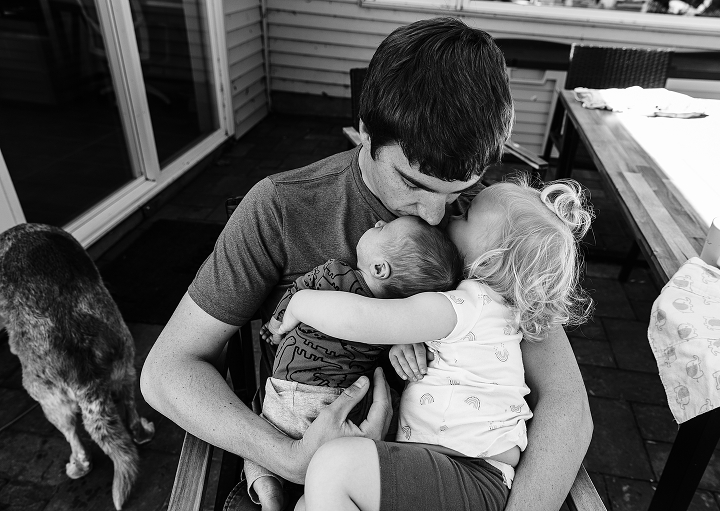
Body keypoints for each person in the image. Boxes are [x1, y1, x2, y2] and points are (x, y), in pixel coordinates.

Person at [141, 16, 593, 511]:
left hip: (440, 480)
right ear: (363, 133)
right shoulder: (283, 207)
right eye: (414, 184)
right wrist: (289, 457)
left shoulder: (495, 233)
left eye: (460, 191)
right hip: (303, 475)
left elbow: (567, 405)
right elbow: (166, 370)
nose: (438, 214)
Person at [273, 178, 593, 511]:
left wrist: (302, 303)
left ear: (493, 258)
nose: (450, 216)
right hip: (454, 471)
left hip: (468, 473)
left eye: (466, 215)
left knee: (334, 465)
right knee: (308, 503)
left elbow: (366, 319)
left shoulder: (466, 305)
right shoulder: (502, 313)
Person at [244, 216, 463, 511]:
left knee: (260, 438)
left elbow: (298, 290)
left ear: (378, 268)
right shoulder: (396, 319)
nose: (377, 221)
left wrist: (276, 324)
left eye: (382, 228)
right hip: (341, 412)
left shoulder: (335, 274)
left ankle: (269, 491)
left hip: (286, 396)